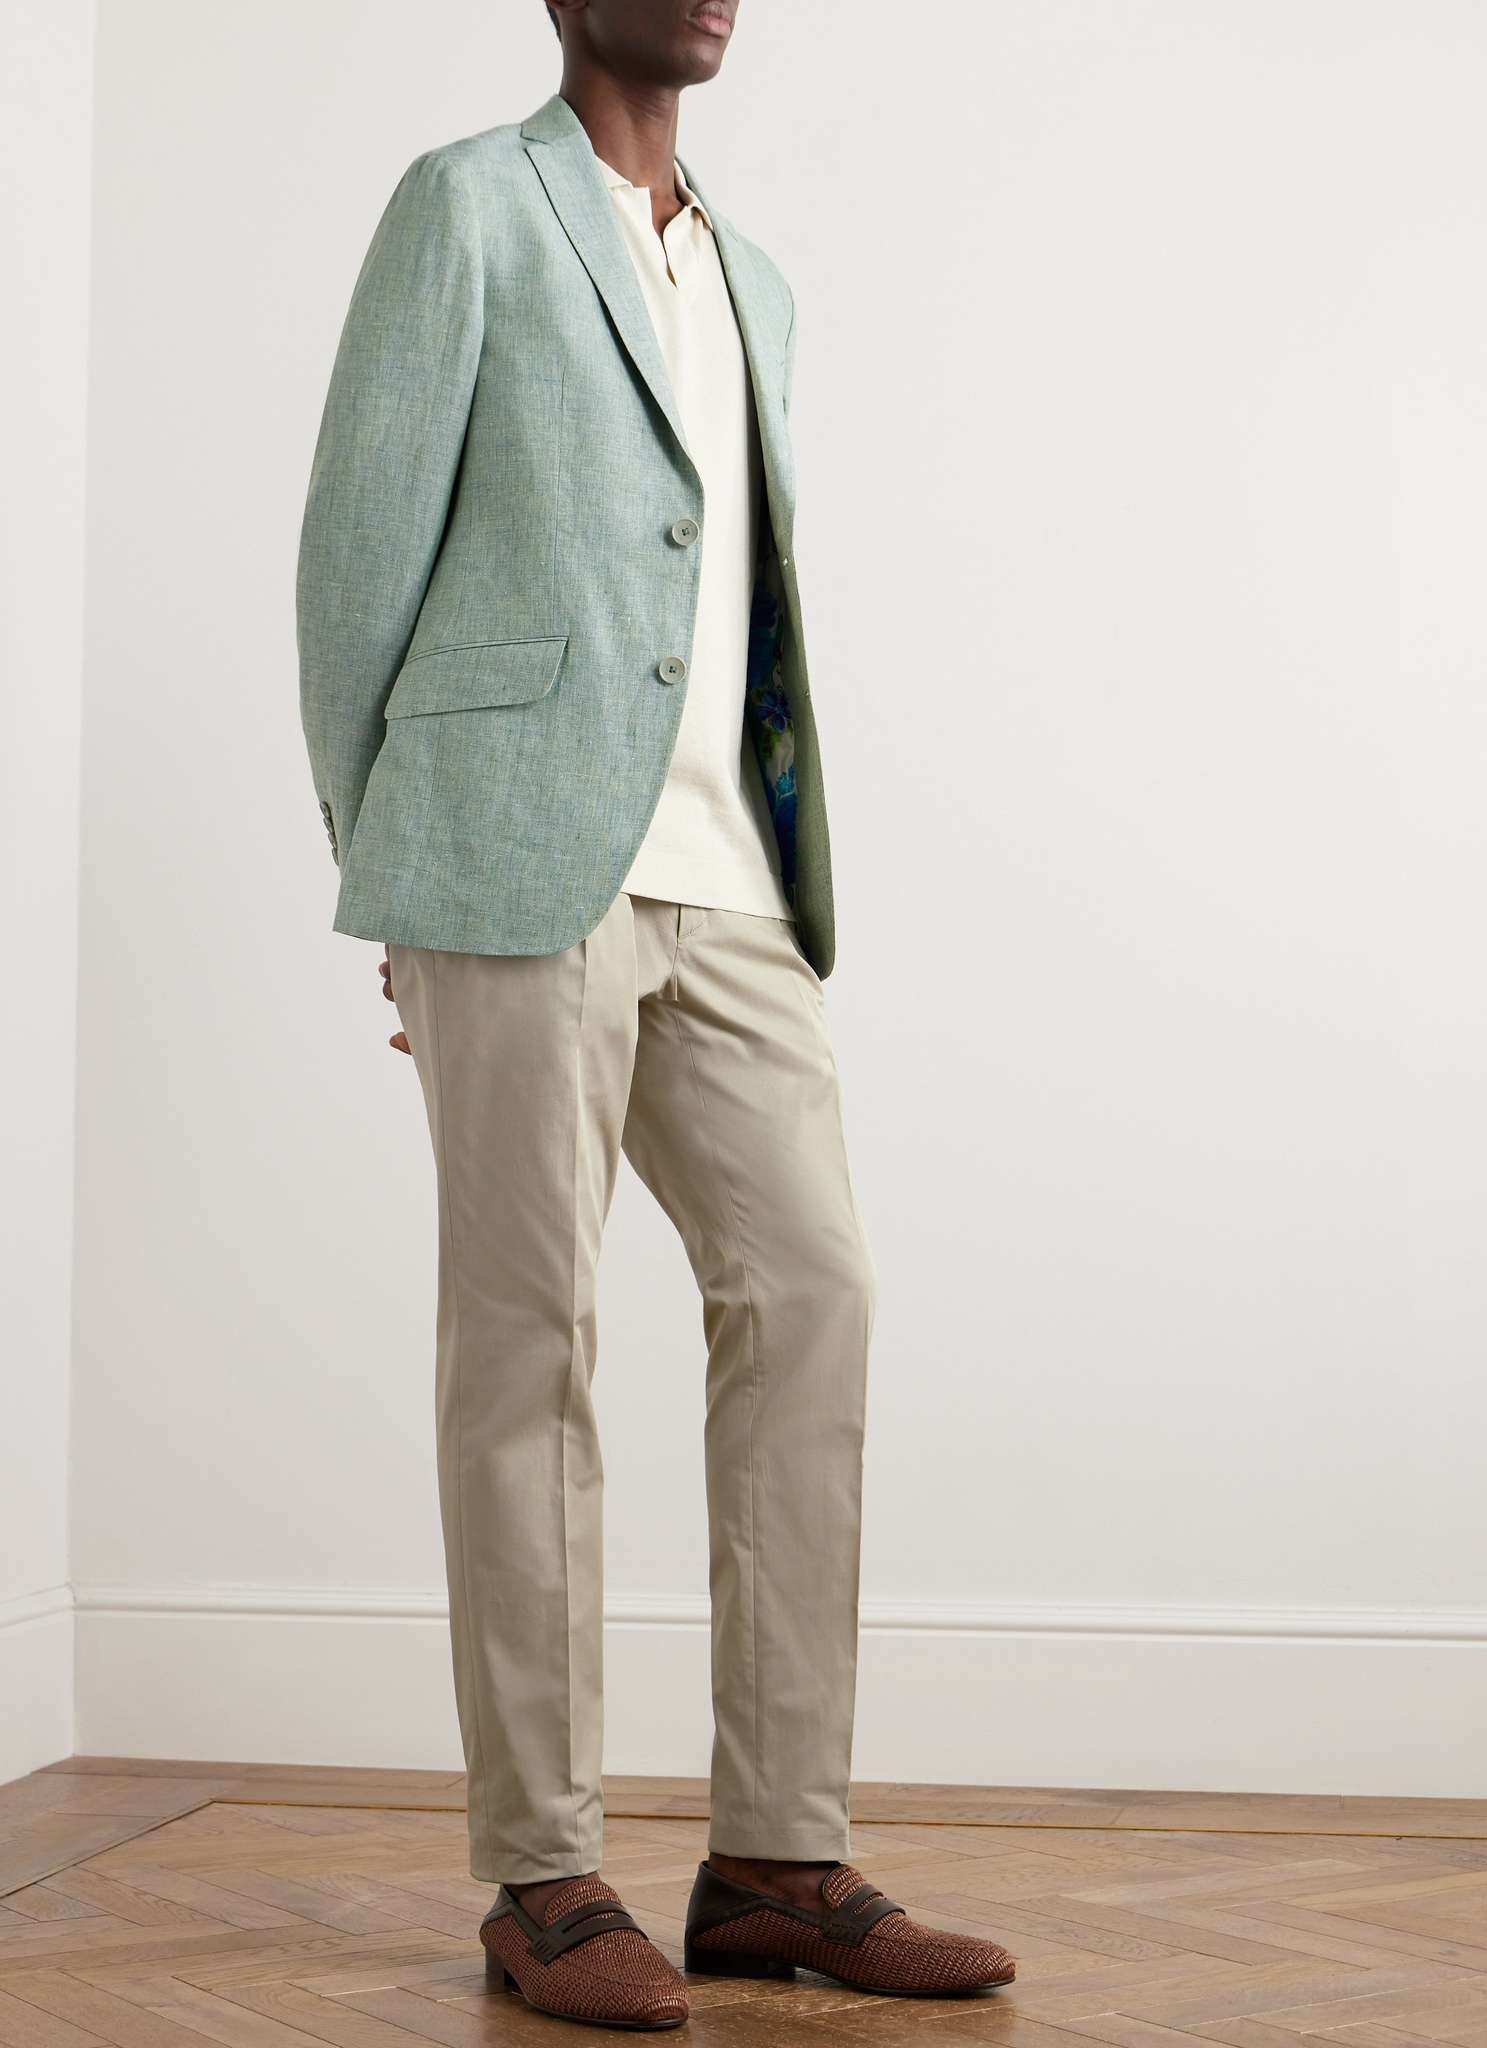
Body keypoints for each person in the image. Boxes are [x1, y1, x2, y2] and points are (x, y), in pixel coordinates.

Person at [297, 0, 1015, 2027]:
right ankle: (544, 1878)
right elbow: (353, 565)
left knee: (814, 1290)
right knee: (530, 1339)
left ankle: (778, 1858)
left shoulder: (754, 274)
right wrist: (403, 874)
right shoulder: (467, 206)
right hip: (513, 861)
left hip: (735, 874)